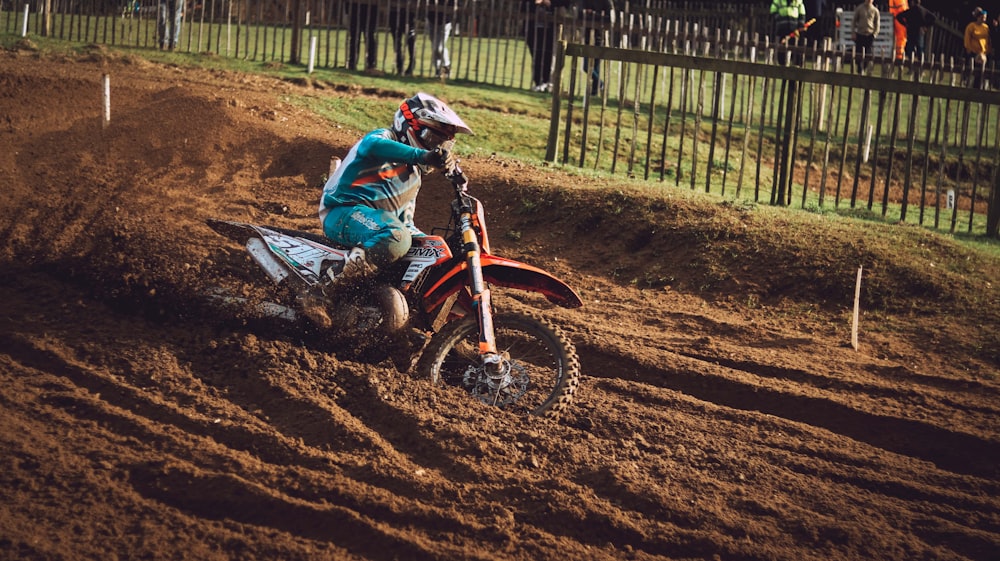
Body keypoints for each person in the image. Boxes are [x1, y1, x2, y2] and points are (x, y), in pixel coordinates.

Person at [305, 93, 473, 327]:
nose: (436, 146)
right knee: (396, 237)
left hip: (380, 225)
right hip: (342, 211)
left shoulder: (413, 175)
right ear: (408, 124)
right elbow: (374, 146)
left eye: (443, 143)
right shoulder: (382, 137)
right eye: (431, 137)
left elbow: (404, 221)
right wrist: (423, 155)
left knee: (434, 251)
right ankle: (320, 293)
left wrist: (433, 246)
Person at [524, 0, 570, 92]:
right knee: (536, 56)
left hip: (551, 30)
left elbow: (566, 3)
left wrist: (549, 2)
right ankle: (538, 82)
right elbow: (524, 5)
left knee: (548, 56)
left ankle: (547, 82)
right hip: (533, 29)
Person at [428, 0, 457, 78]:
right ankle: (438, 70)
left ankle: (447, 66)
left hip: (445, 22)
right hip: (431, 20)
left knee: (440, 47)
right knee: (434, 48)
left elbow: (454, 6)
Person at [964, 6, 991, 88]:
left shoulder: (986, 27)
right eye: (982, 17)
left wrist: (988, 50)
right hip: (973, 52)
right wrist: (968, 48)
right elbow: (967, 39)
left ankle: (978, 86)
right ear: (978, 17)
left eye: (985, 17)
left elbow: (988, 39)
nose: (984, 19)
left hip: (983, 52)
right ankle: (968, 84)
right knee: (972, 70)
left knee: (981, 71)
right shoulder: (971, 26)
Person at [348, 0, 378, 72]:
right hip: (355, 7)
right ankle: (352, 62)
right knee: (355, 36)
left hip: (371, 8)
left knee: (369, 36)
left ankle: (371, 62)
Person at [853, 0, 881, 73]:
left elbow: (877, 24)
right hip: (860, 34)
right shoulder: (859, 8)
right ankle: (859, 68)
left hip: (869, 35)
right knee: (858, 52)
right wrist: (853, 32)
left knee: (868, 54)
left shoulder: (875, 10)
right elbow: (854, 21)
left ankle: (864, 67)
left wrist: (874, 34)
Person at [388, 4, 416, 76]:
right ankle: (400, 66)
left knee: (410, 38)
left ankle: (411, 65)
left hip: (408, 11)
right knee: (396, 40)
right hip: (394, 11)